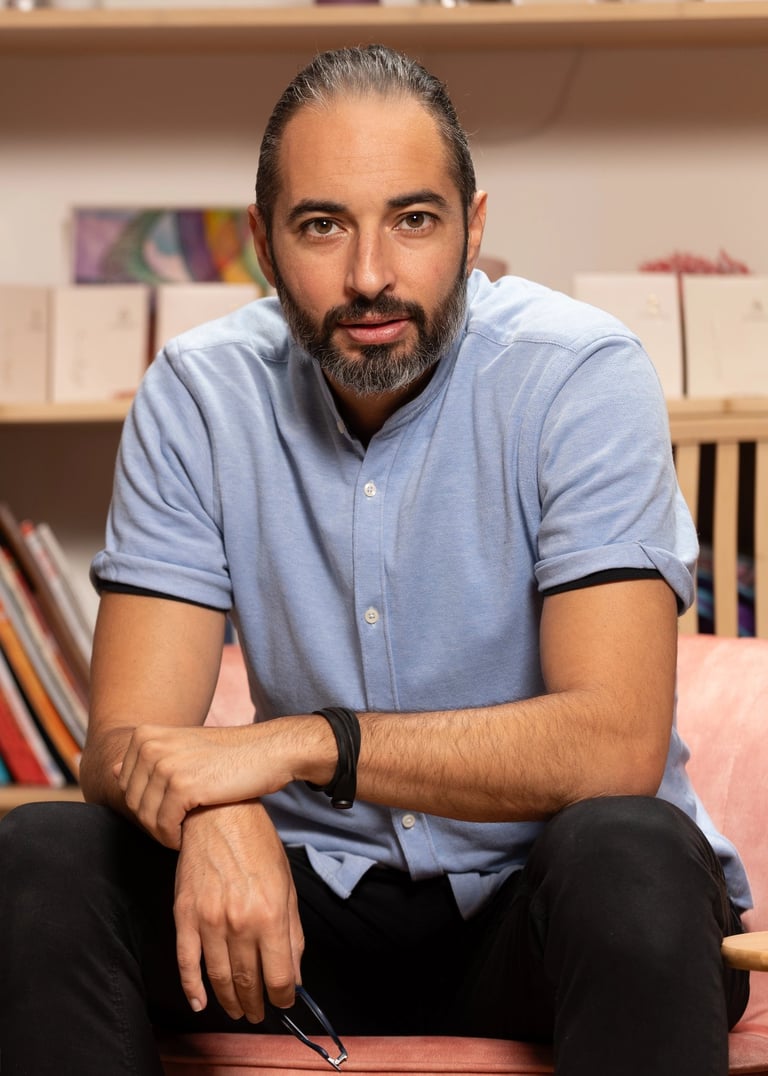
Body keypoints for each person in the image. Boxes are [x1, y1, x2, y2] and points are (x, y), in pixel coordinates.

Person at [0, 44, 752, 1076]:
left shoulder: (580, 374)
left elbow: (613, 743)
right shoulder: (199, 394)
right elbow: (121, 742)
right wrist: (216, 806)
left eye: (414, 219)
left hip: (544, 913)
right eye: (322, 225)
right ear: (263, 243)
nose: (369, 276)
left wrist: (302, 746)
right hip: (290, 923)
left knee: (629, 849)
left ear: (473, 229)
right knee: (43, 855)